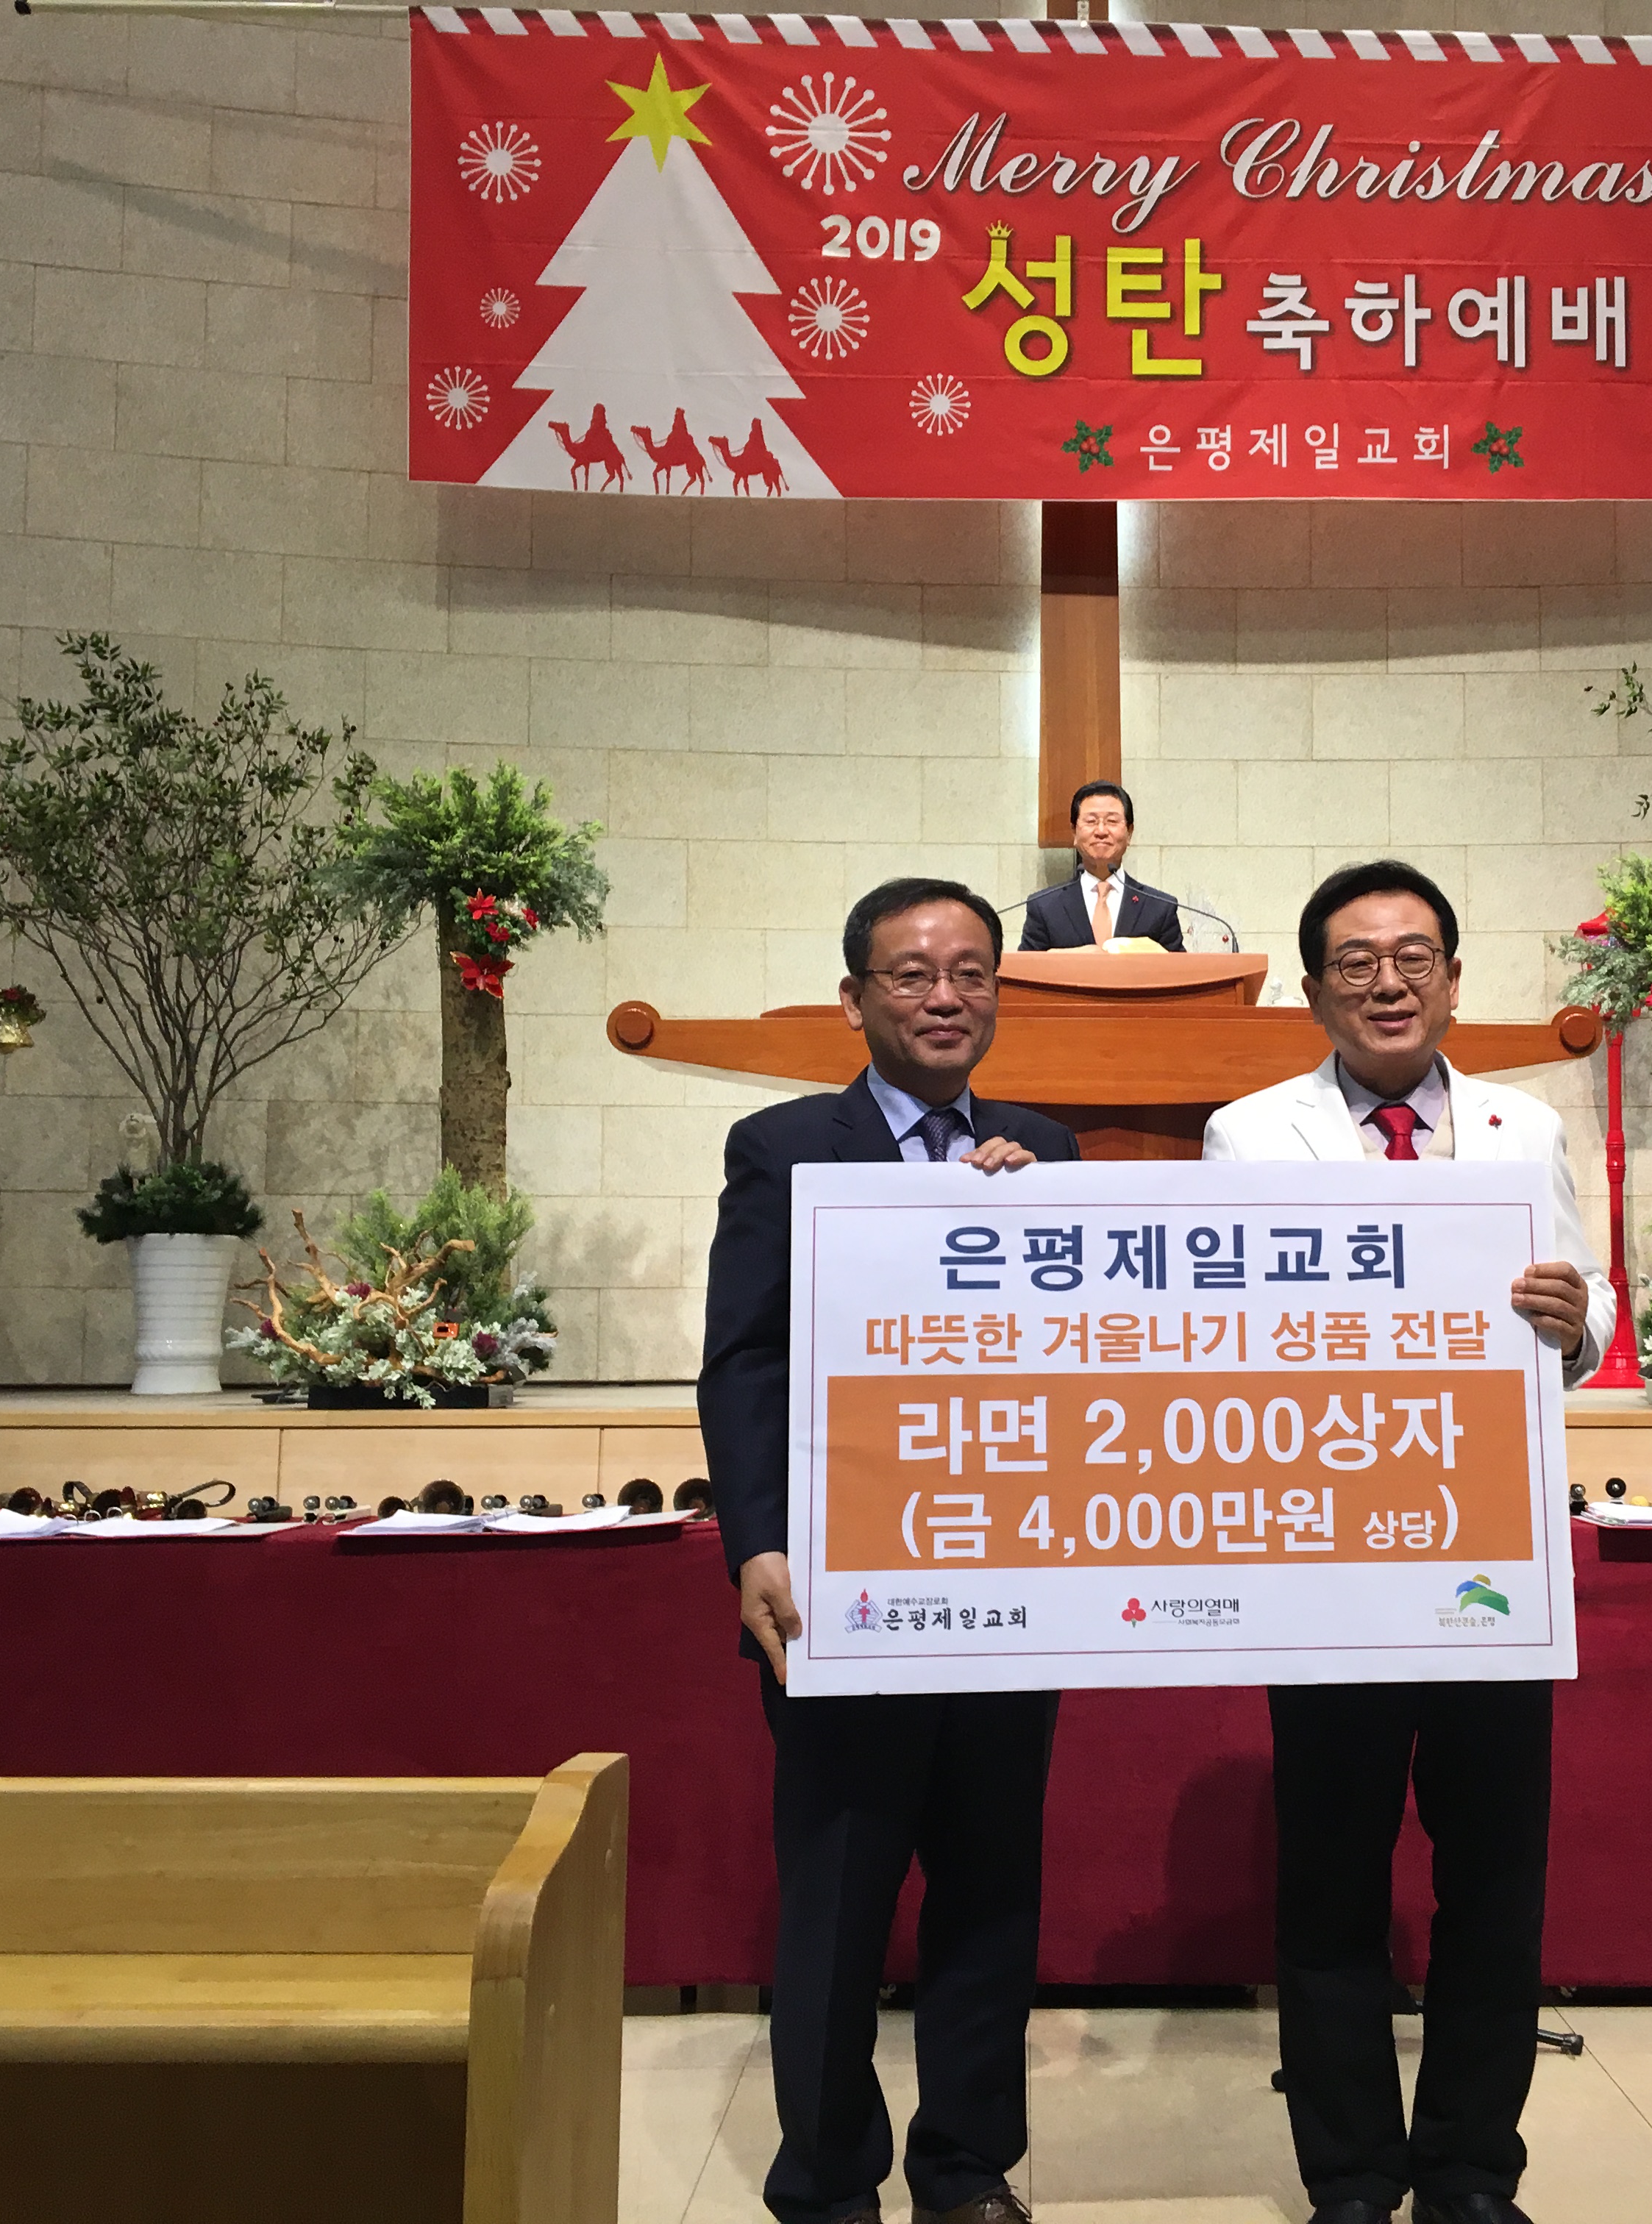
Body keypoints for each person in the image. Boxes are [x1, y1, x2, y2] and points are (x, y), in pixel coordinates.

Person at [1201, 859, 1614, 2224]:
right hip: (1329, 1562)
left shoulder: (1520, 1126)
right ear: (1314, 988)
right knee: (1331, 1882)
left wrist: (1578, 1318)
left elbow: (1591, 1298)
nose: (1388, 981)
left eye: (1414, 956)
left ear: (1451, 975)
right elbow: (1220, 1328)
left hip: (1492, 1555)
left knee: (1494, 1881)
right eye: (1357, 961)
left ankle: (1471, 2172)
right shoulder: (1249, 1135)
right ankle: (1350, 2176)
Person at [701, 876, 1080, 2224]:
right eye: (912, 973)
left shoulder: (1046, 1149)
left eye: (971, 972)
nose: (944, 996)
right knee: (839, 1898)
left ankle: (967, 2168)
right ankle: (826, 2180)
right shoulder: (784, 1144)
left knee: (991, 1893)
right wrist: (754, 1543)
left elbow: (1089, 1354)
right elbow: (744, 1359)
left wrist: (1035, 1223)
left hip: (1006, 1584)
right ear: (854, 998)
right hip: (840, 1589)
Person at [1017, 779, 1187, 951]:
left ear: (1129, 833)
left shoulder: (1159, 907)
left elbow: (1179, 966)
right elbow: (1027, 965)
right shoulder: (1044, 906)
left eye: (1112, 821)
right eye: (1091, 821)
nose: (1101, 831)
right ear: (1074, 832)